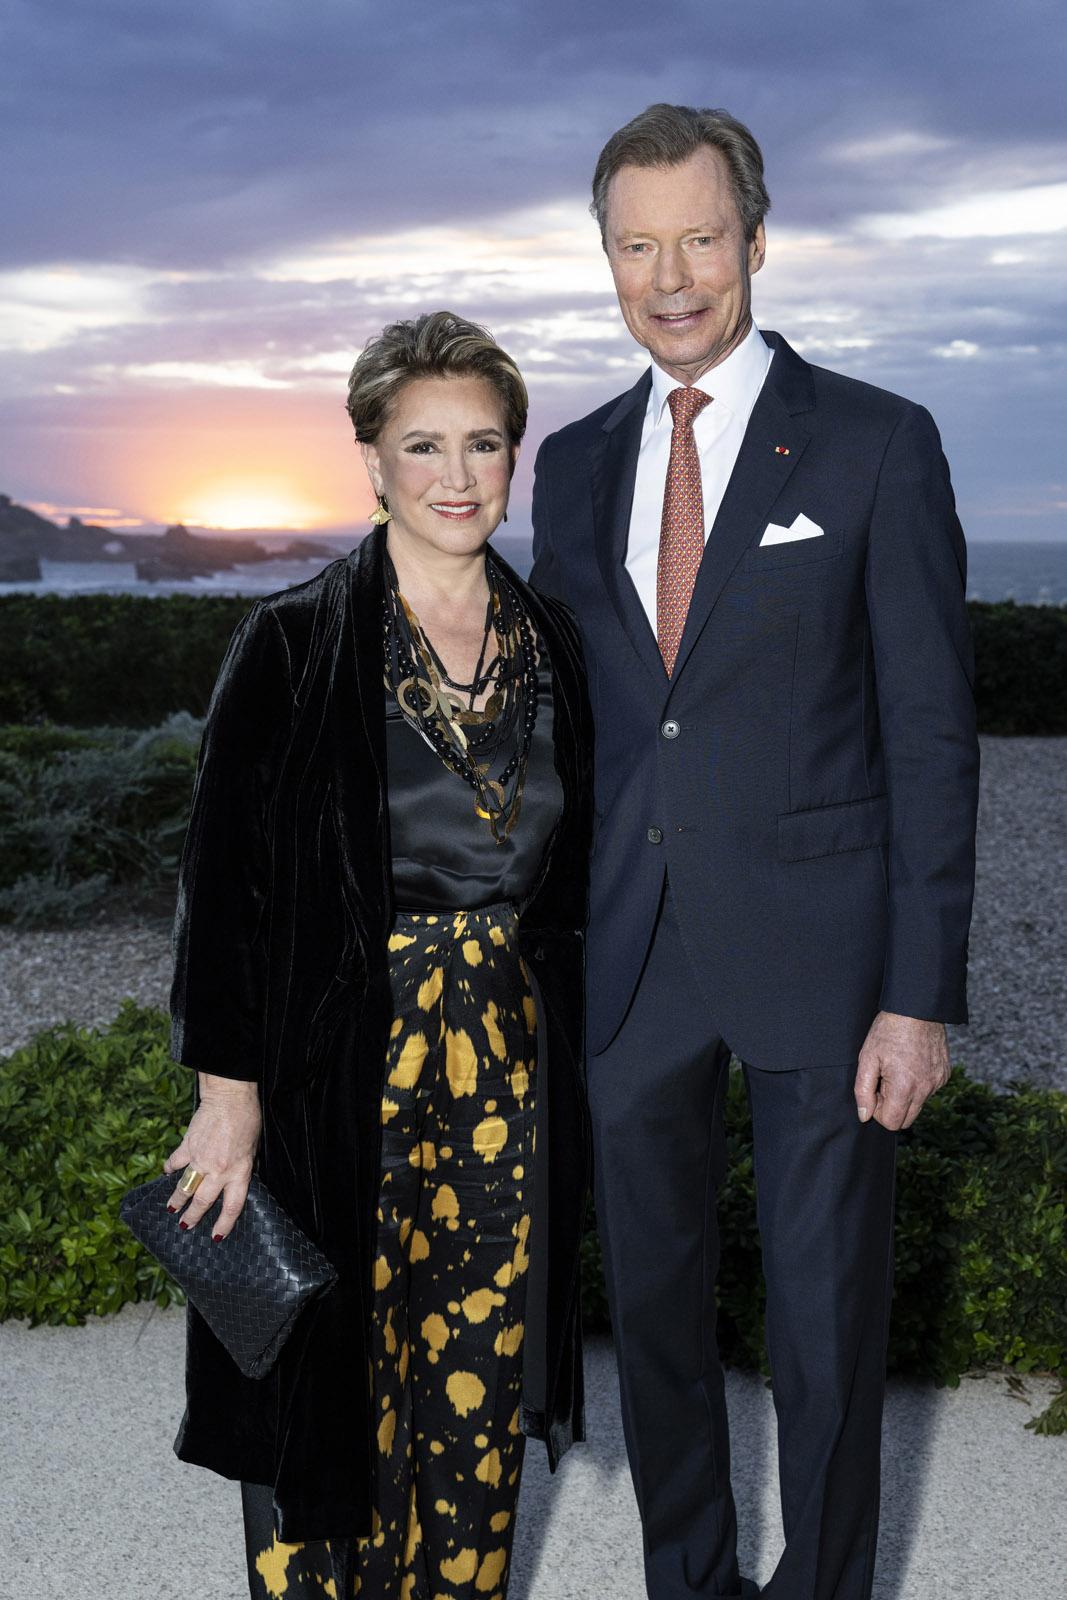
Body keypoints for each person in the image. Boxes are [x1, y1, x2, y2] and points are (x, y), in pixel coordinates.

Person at [530, 103, 979, 1600]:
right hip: (631, 958)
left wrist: (918, 996)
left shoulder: (875, 442)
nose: (672, 276)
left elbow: (929, 737)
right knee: (652, 1312)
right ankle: (691, 1581)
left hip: (826, 966)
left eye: (700, 238)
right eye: (638, 244)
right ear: (606, 257)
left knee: (825, 1317)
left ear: (757, 241)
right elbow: (585, 726)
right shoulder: (578, 462)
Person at [162, 310, 592, 1600]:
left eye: (483, 444)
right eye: (424, 446)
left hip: (504, 1073)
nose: (457, 476)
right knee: (326, 1375)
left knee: (471, 1376)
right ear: (371, 459)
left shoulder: (554, 649)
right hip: (334, 1065)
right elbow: (220, 891)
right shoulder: (294, 644)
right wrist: (225, 1104)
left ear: (513, 458)